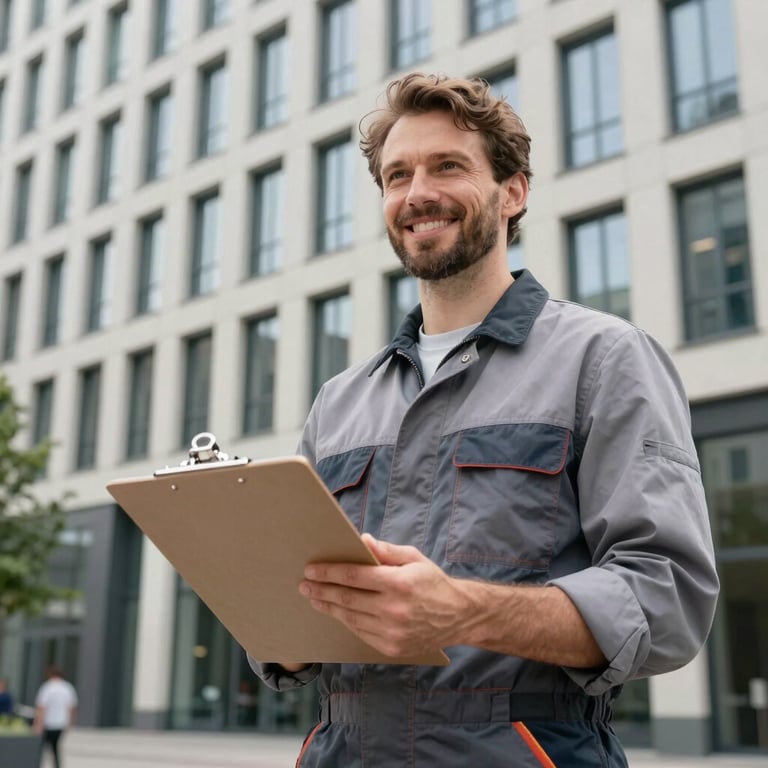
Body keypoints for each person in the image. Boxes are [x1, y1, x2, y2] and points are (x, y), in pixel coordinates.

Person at [249, 72, 719, 766]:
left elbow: (666, 600)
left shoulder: (604, 360)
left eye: (448, 166)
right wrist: (275, 628)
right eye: (397, 175)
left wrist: (464, 611)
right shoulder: (339, 402)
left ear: (513, 191)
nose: (417, 194)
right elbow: (292, 614)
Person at [34, 666, 77, 768]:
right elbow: (71, 708)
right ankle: (57, 765)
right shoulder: (67, 688)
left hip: (48, 722)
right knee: (55, 746)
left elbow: (41, 708)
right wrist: (70, 723)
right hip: (61, 722)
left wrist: (38, 724)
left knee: (42, 747)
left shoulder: (47, 687)